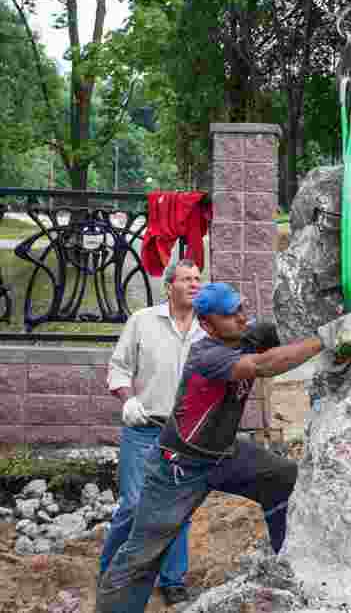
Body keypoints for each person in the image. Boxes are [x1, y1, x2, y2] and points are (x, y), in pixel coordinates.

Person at [96, 282, 351, 612]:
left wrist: (333, 317)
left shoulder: (245, 335)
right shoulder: (207, 355)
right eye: (230, 314)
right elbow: (265, 366)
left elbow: (284, 335)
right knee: (143, 553)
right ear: (208, 324)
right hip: (178, 468)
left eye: (240, 308)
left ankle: (287, 563)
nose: (241, 317)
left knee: (282, 478)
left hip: (223, 453)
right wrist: (325, 338)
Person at [99, 259, 205, 606]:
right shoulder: (143, 322)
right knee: (133, 505)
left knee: (178, 509)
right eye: (186, 279)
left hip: (184, 435)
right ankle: (110, 572)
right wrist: (127, 400)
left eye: (197, 279)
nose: (194, 284)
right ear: (169, 286)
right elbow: (118, 368)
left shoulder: (207, 329)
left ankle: (173, 580)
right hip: (144, 428)